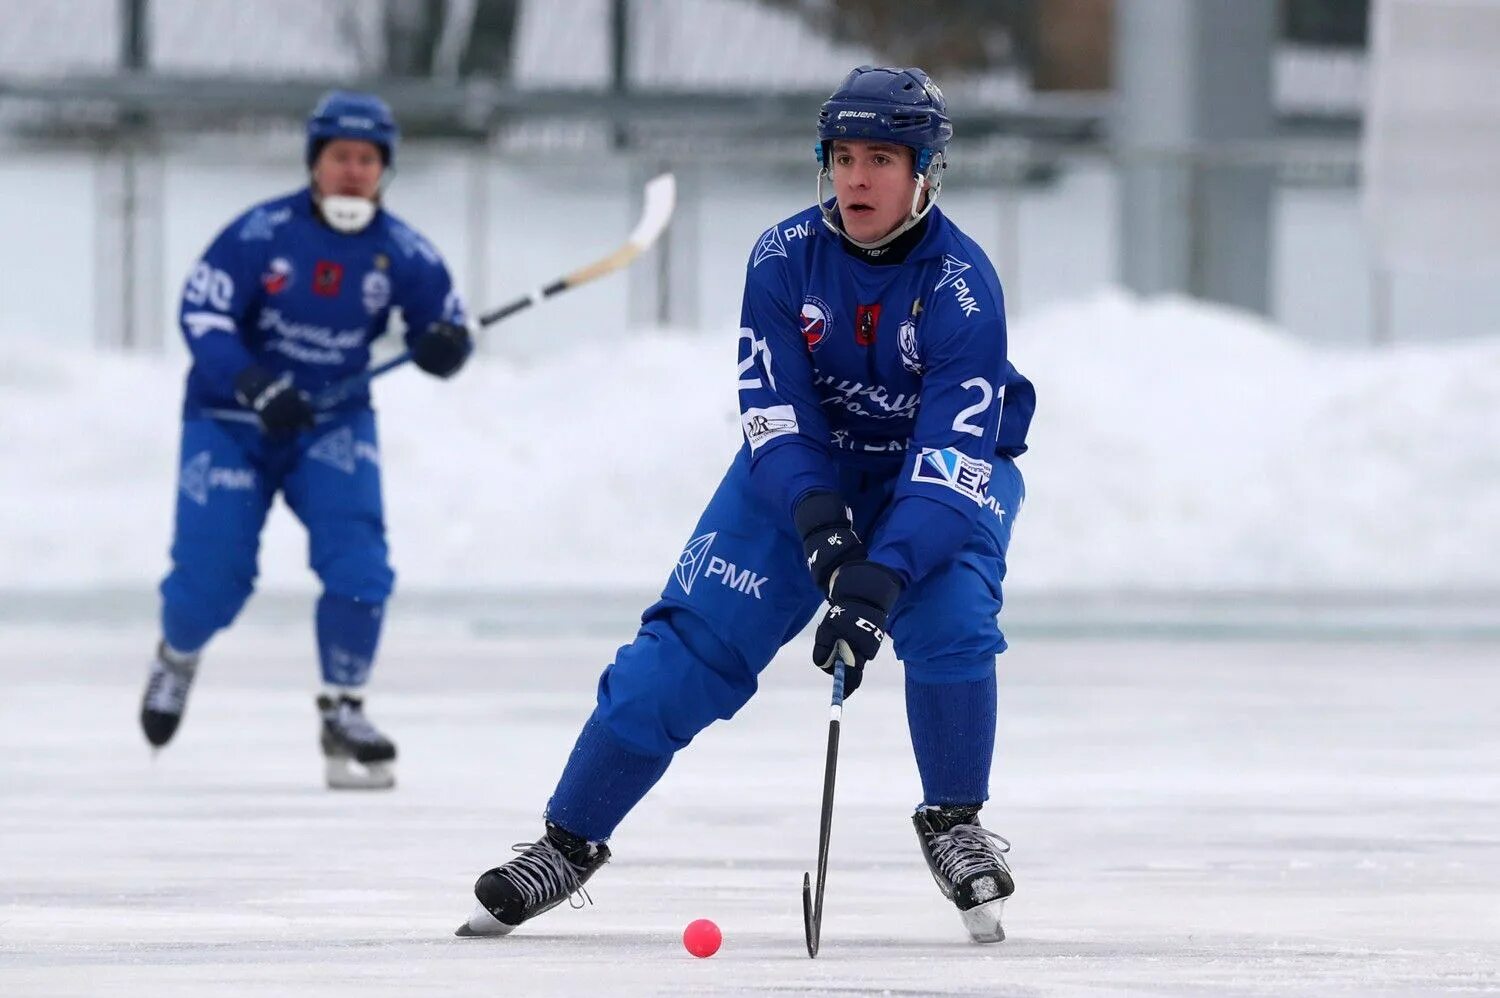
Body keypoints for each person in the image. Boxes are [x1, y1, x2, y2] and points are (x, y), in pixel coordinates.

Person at [456, 65, 1036, 943]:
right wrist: (820, 526)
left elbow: (955, 454)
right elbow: (776, 412)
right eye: (842, 155)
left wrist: (876, 580)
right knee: (686, 647)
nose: (856, 178)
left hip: (934, 483)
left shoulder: (962, 286)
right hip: (797, 477)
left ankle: (955, 823)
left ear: (926, 172)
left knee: (950, 616)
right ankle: (566, 842)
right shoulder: (780, 259)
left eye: (883, 157)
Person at [138, 90, 474, 790]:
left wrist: (444, 347)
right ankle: (177, 654)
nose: (353, 171)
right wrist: (255, 384)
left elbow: (438, 329)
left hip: (334, 420)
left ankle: (344, 708)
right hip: (231, 421)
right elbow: (202, 315)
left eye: (367, 159)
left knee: (360, 567)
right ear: (315, 163)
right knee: (211, 581)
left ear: (384, 169)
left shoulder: (403, 252)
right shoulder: (259, 235)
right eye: (339, 157)